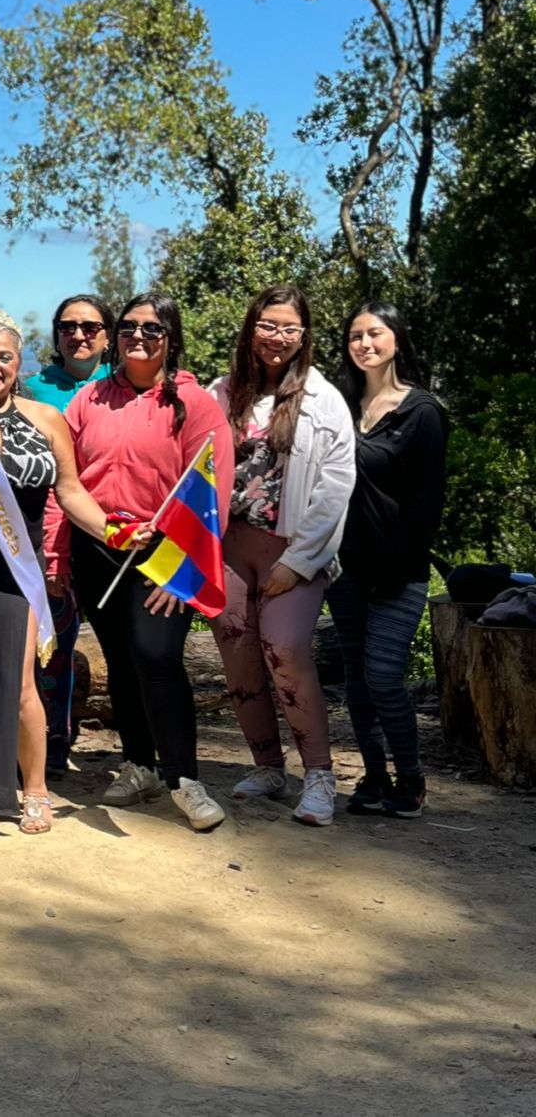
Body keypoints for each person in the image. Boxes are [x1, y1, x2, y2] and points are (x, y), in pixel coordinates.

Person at [0, 311, 127, 832]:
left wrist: (113, 532)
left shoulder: (46, 418)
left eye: (3, 357)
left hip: (18, 568)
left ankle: (35, 786)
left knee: (22, 682)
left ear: (19, 364)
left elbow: (70, 491)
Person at [65, 293, 235, 832]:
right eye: (130, 327)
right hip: (97, 546)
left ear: (171, 339)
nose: (139, 336)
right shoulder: (88, 400)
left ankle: (185, 777)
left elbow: (213, 493)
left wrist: (184, 569)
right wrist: (57, 555)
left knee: (156, 656)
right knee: (120, 660)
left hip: (166, 551)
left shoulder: (195, 405)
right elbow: (65, 483)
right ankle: (139, 766)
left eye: (153, 329)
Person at [207, 286, 355, 827]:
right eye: (269, 326)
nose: (278, 338)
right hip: (229, 548)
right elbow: (197, 466)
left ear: (304, 336)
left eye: (290, 328)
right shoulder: (223, 392)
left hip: (293, 551)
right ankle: (268, 766)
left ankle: (319, 775)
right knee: (237, 650)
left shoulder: (324, 400)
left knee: (287, 649)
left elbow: (337, 484)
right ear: (251, 328)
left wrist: (300, 561)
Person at [328, 302, 448, 819]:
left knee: (382, 676)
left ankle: (412, 779)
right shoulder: (339, 408)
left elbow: (427, 502)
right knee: (356, 678)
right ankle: (374, 777)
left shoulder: (421, 412)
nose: (364, 344)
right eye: (355, 336)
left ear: (396, 338)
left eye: (375, 333)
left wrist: (398, 567)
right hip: (344, 566)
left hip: (398, 571)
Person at [28, 293, 116, 777]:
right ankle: (51, 740)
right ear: (56, 333)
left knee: (129, 648)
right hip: (52, 539)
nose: (79, 334)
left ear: (108, 334)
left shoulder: (127, 385)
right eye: (68, 326)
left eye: (90, 326)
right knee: (51, 648)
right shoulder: (33, 389)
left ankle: (142, 754)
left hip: (114, 541)